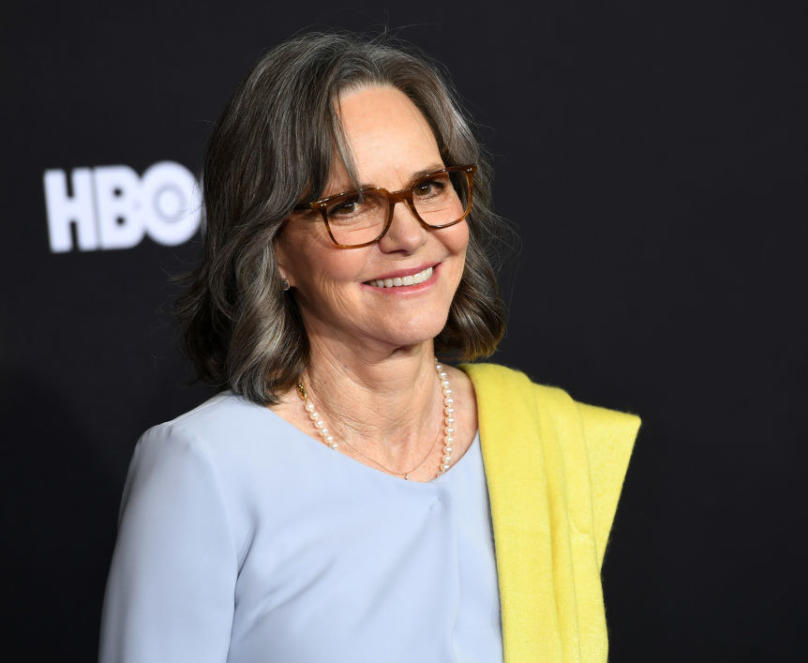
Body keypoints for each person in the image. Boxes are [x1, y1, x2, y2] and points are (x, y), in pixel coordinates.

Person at [99, 31, 640, 663]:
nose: (408, 235)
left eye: (431, 186)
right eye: (352, 204)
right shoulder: (207, 468)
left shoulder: (539, 438)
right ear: (273, 250)